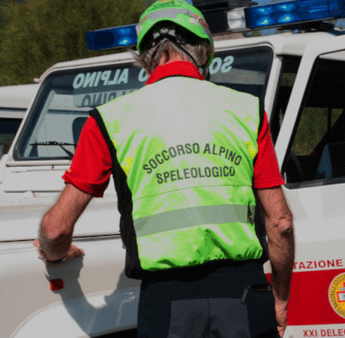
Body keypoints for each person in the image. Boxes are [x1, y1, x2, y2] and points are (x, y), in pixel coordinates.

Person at [34, 1, 294, 337]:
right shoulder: (246, 110)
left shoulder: (111, 119)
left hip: (166, 299)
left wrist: (55, 254)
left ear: (144, 58)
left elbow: (55, 228)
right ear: (204, 52)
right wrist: (280, 298)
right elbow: (280, 223)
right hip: (245, 293)